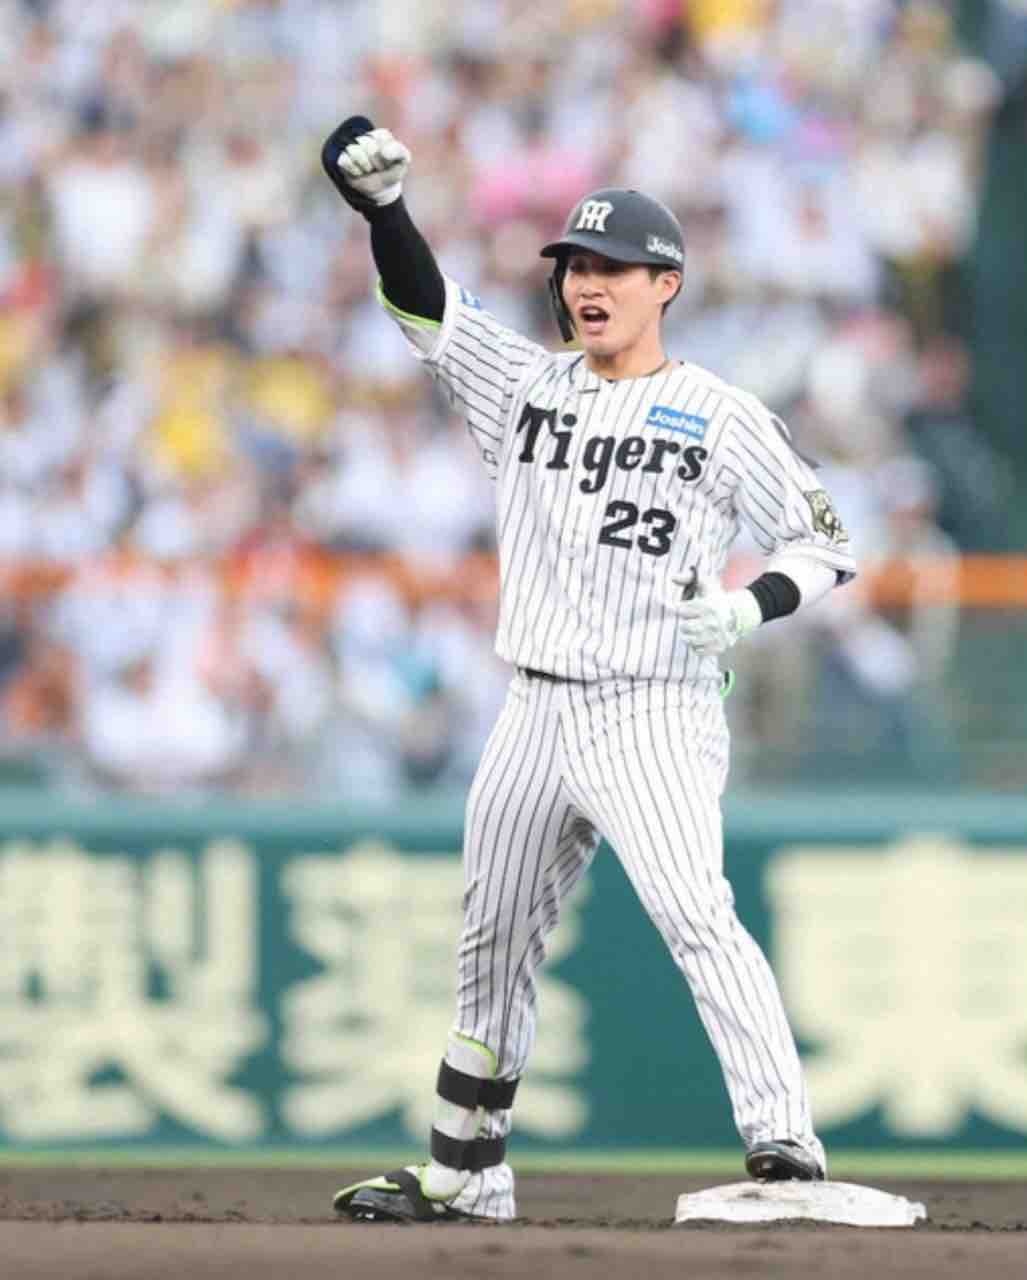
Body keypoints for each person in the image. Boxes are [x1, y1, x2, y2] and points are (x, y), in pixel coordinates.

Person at [321, 117, 857, 1223]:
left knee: (694, 913)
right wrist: (386, 213)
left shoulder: (721, 413)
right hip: (532, 705)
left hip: (651, 705)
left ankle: (786, 1147)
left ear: (666, 284)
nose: (586, 284)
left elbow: (824, 543)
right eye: (573, 266)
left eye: (610, 267)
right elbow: (429, 309)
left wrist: (747, 605)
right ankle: (467, 1170)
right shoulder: (527, 384)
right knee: (491, 942)